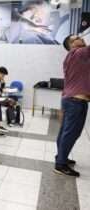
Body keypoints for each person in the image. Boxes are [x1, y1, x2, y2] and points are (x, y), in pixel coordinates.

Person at [54, 35, 90, 177]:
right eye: (78, 37)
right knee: (70, 133)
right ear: (72, 44)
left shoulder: (72, 57)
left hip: (71, 100)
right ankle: (60, 164)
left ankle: (61, 157)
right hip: (75, 102)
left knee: (66, 132)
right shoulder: (78, 52)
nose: (82, 38)